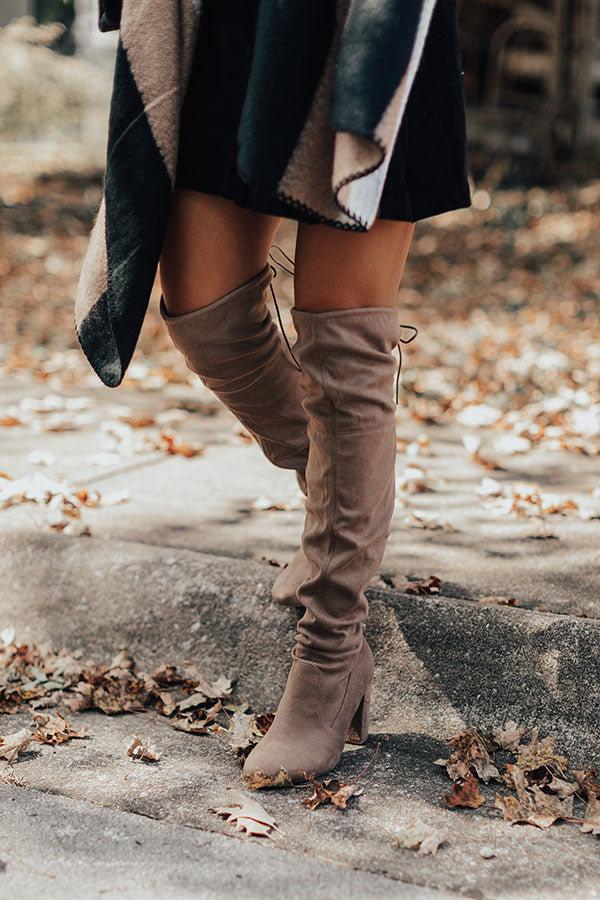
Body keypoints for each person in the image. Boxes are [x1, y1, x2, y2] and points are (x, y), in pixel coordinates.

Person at [81, 0, 470, 786]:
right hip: (231, 16)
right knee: (204, 309)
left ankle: (330, 657)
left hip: (356, 20)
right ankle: (334, 508)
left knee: (342, 330)